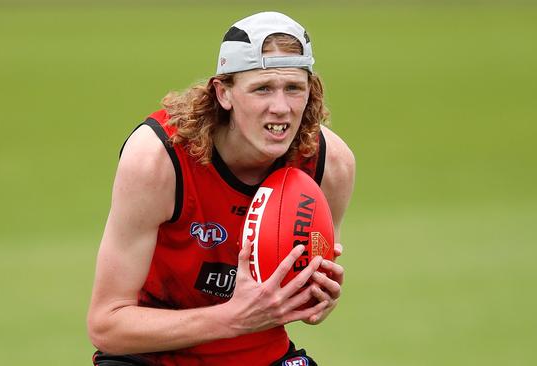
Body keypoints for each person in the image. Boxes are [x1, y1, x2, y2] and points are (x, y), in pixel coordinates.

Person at [87, 11, 355, 366]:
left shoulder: (329, 164)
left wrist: (314, 296)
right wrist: (232, 318)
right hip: (150, 358)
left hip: (258, 355)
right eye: (262, 89)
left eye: (294, 88)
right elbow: (107, 326)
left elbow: (296, 292)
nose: (281, 108)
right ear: (224, 93)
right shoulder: (158, 159)